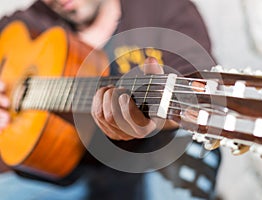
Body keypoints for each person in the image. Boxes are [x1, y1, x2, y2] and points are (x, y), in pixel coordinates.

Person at [0, 0, 221, 199]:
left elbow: (199, 98)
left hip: (151, 157)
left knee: (186, 142)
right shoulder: (30, 22)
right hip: (62, 176)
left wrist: (152, 121)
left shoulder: (164, 9)